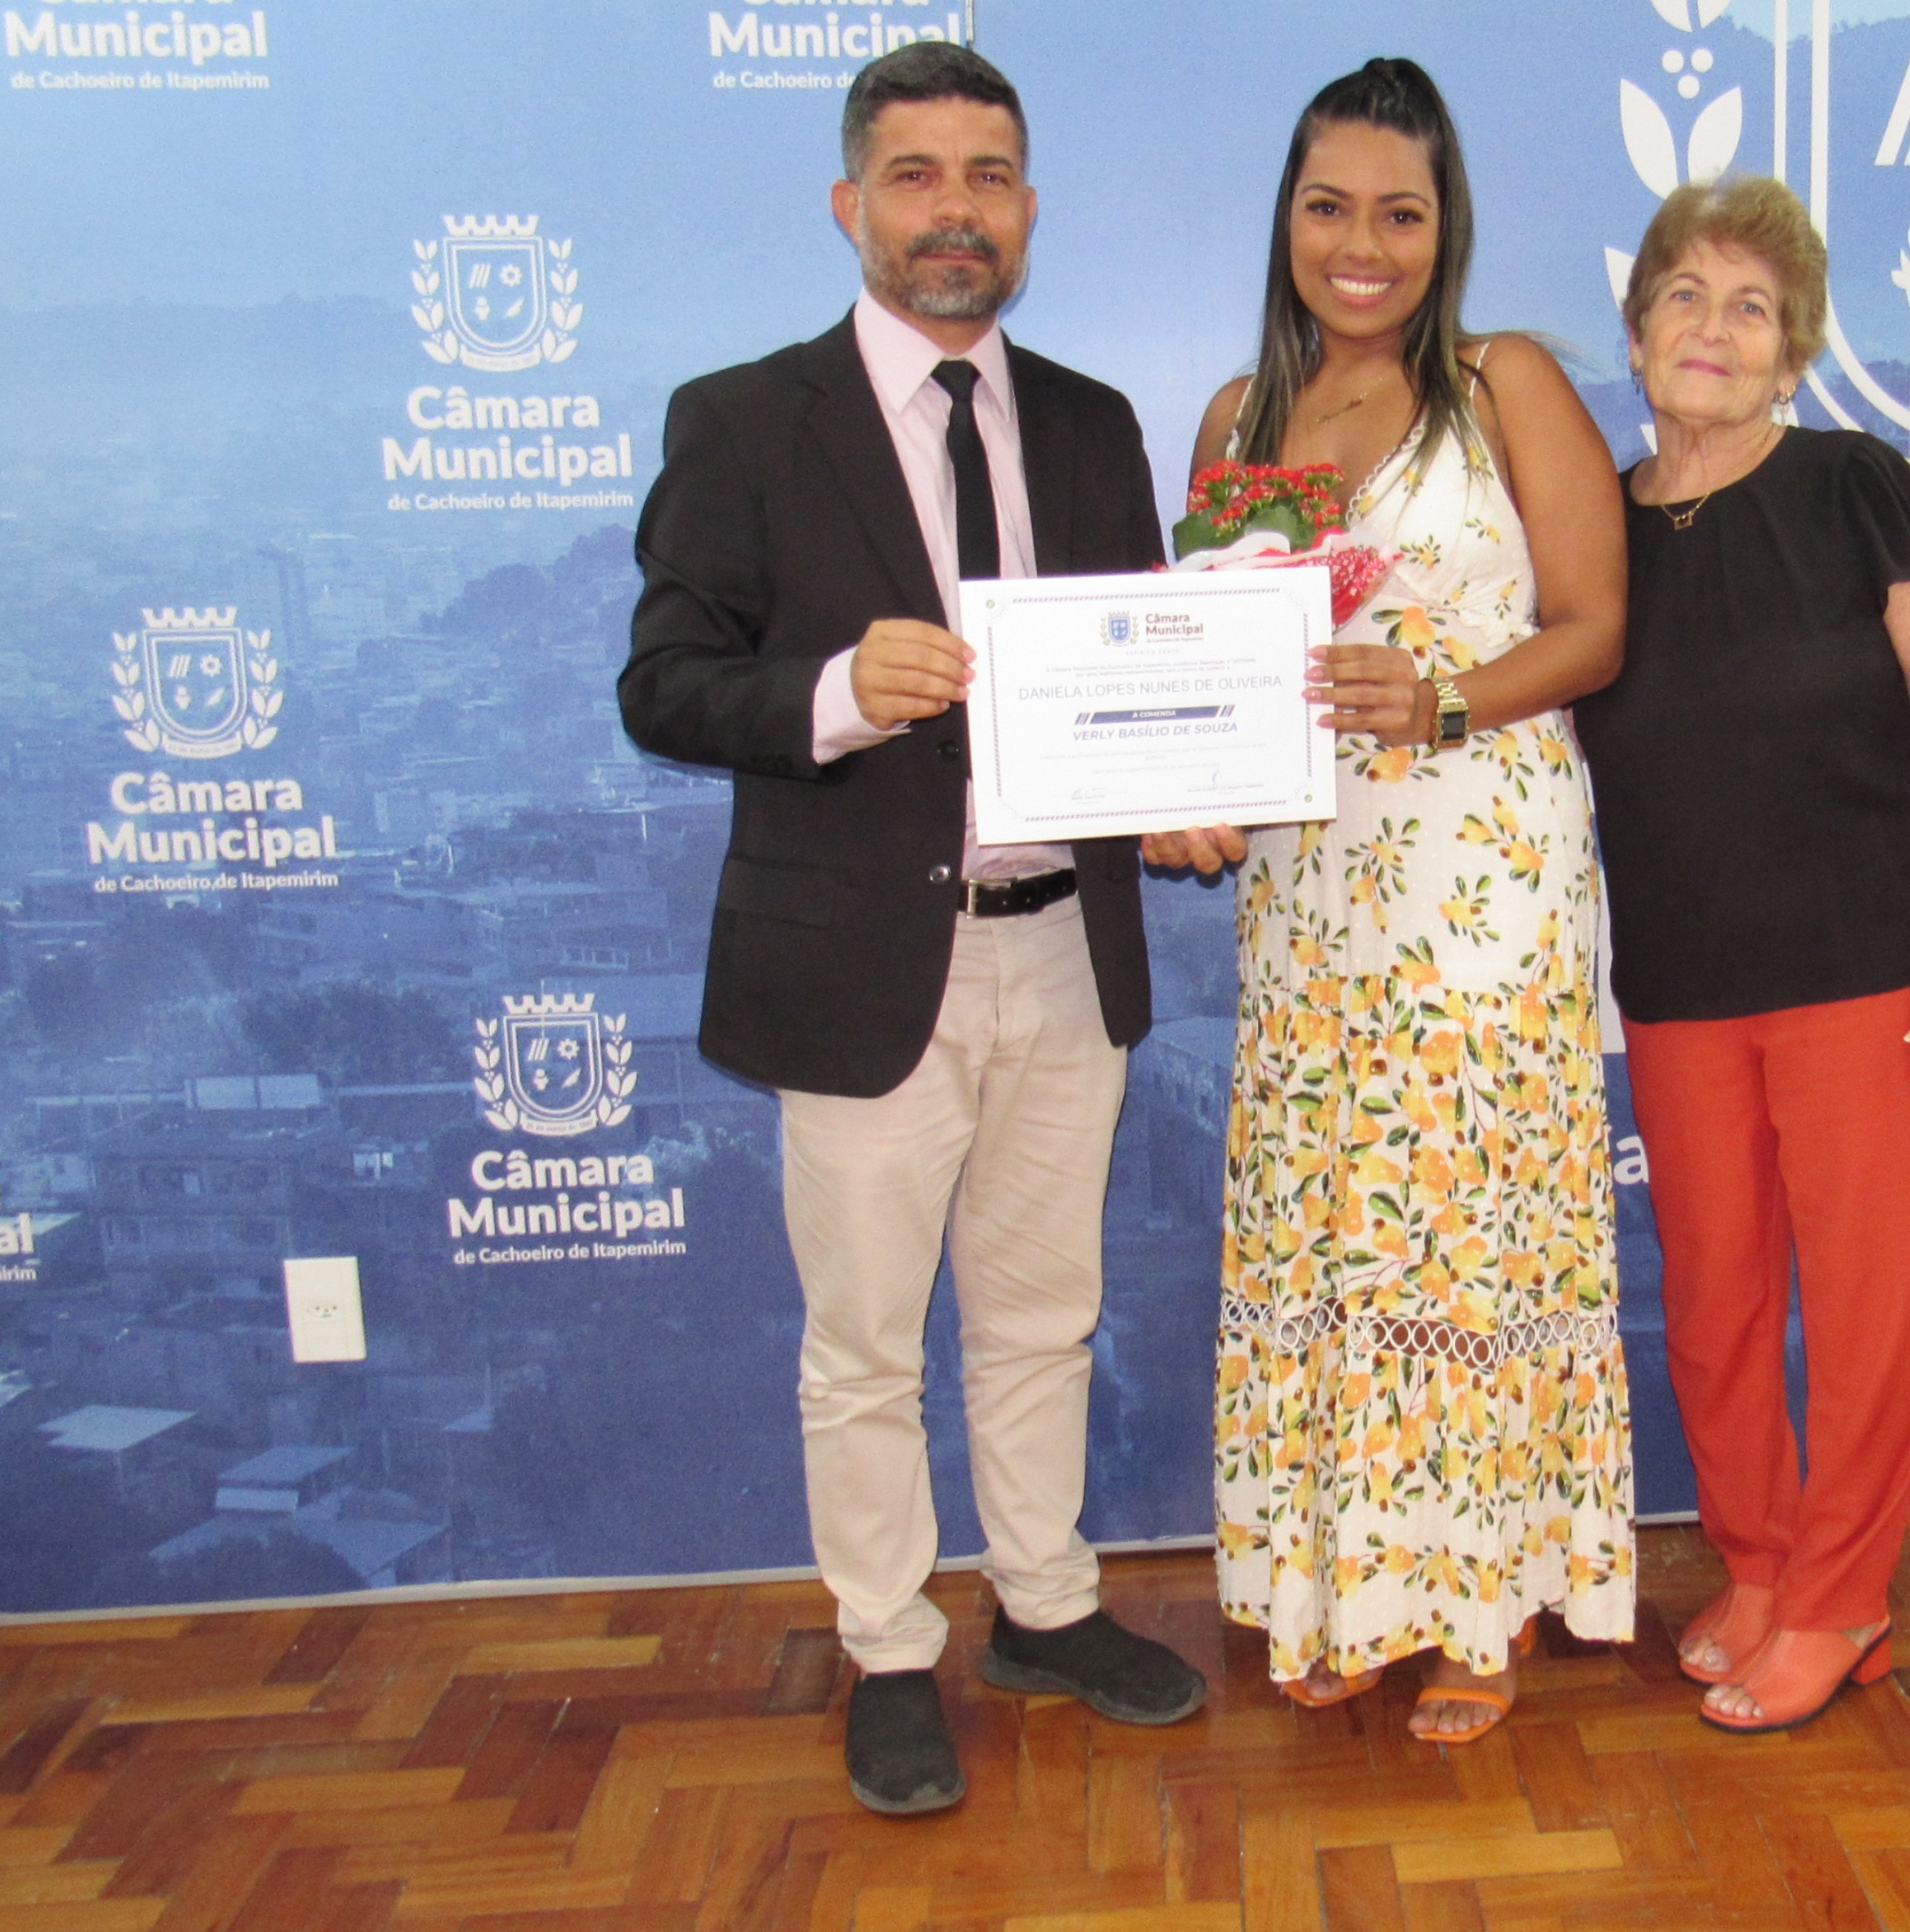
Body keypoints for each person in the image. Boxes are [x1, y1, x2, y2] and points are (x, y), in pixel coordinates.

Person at [617, 43, 1205, 1817]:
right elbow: (663, 683)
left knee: (1041, 1312)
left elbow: (1142, 684)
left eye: (989, 176)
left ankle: (1044, 1605)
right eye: (919, 174)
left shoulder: (1093, 422)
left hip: (1064, 942)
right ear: (849, 203)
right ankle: (887, 1648)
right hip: (861, 958)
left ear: (1028, 208)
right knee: (865, 1340)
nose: (958, 211)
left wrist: (1183, 792)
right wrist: (834, 689)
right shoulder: (743, 419)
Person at [1142, 58, 1634, 1745]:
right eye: (1330, 207)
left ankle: (1479, 1603)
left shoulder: (1504, 386)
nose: (1363, 247)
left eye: (1400, 214)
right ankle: (1345, 1587)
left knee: (1462, 1227)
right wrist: (1184, 794)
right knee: (1329, 1223)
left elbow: (1595, 627)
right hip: (1305, 895)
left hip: (1478, 882)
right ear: (1286, 218)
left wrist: (1439, 701)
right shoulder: (1235, 420)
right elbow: (1206, 670)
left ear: (1448, 228)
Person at [1570, 177, 1910, 1733]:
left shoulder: (1854, 485)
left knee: (1872, 1313)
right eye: (1686, 296)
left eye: (1752, 308)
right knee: (1716, 1309)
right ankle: (1759, 1569)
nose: (1715, 328)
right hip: (1681, 988)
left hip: (1870, 977)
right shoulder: (1594, 530)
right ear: (1635, 333)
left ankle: (1840, 1598)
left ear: (1794, 353)